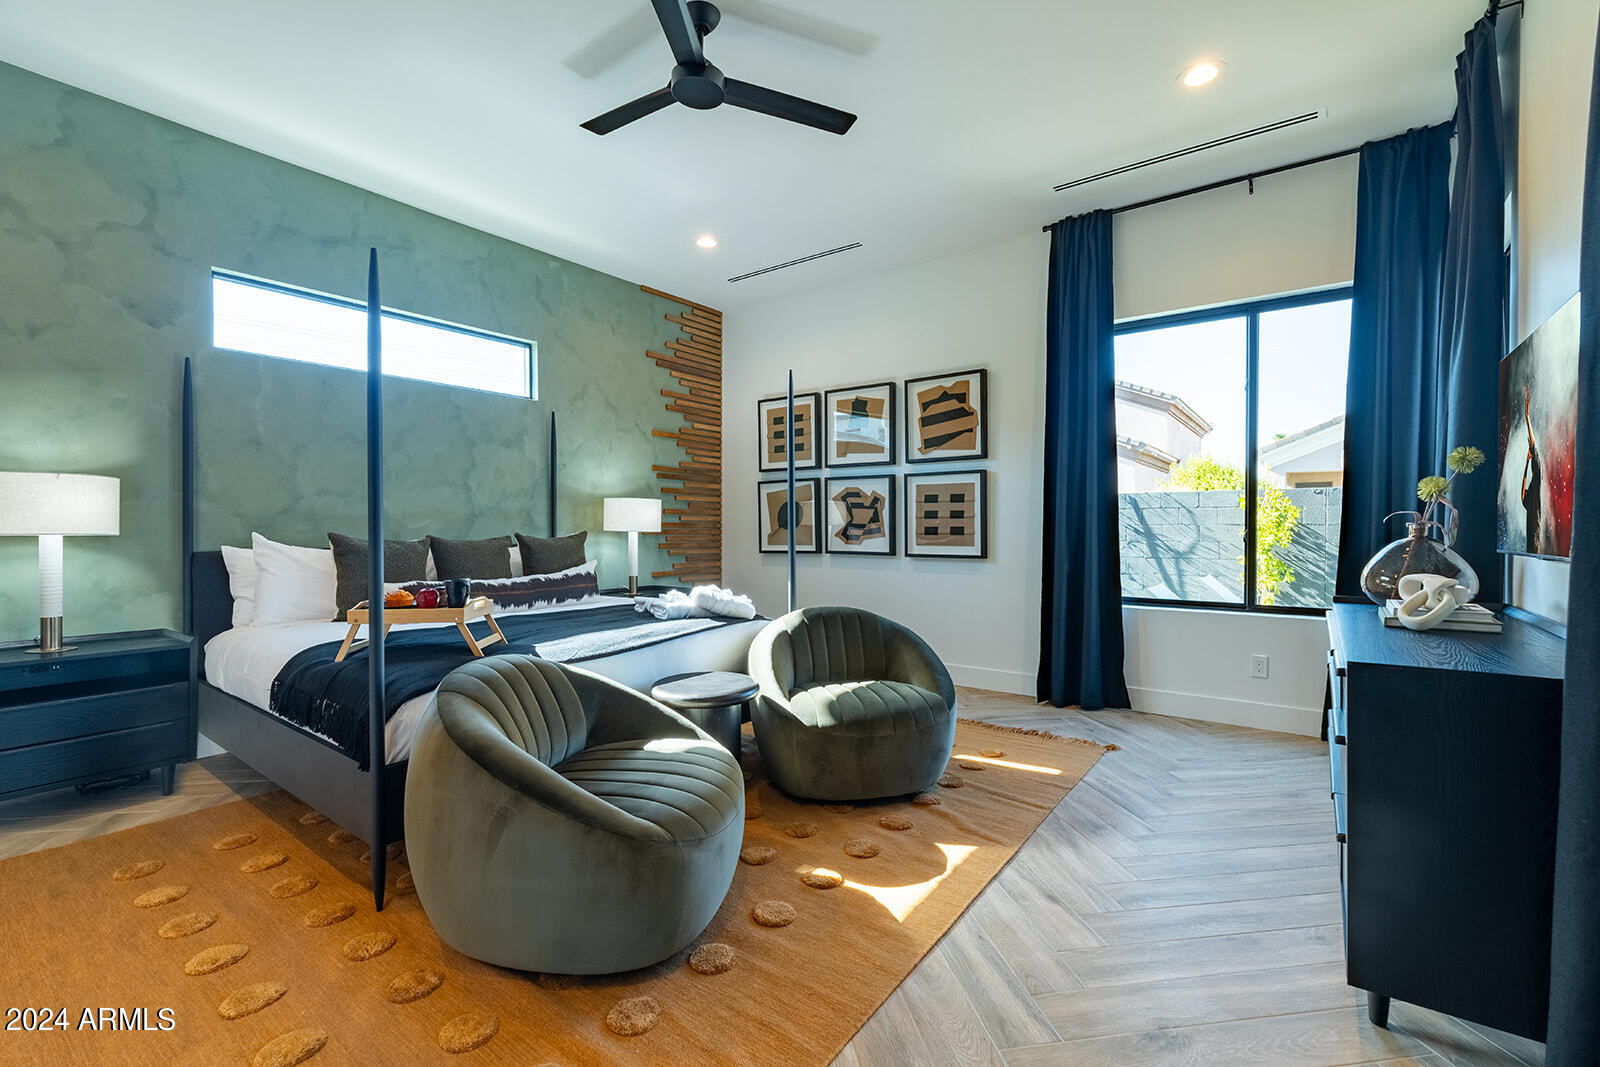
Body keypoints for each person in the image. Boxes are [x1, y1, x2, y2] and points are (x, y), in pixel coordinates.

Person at [1521, 384, 1543, 554]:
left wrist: (1527, 462)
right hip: (1535, 541)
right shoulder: (1538, 481)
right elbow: (1524, 483)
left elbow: (1523, 483)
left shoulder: (1527, 503)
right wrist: (1527, 416)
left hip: (1533, 542)